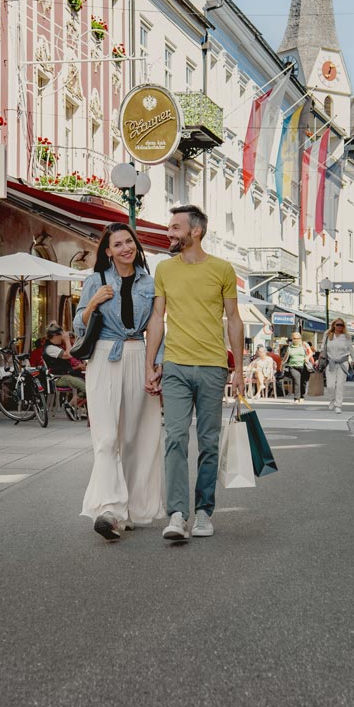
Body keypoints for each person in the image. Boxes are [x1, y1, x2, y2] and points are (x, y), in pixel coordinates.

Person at [145, 205, 244, 542]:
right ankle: (176, 513)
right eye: (169, 228)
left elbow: (234, 319)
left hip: (214, 367)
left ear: (195, 231)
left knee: (208, 443)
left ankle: (203, 512)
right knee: (174, 438)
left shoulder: (222, 269)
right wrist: (150, 364)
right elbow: (157, 318)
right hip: (175, 365)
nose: (169, 233)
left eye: (175, 228)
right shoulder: (164, 270)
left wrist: (240, 369)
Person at [74, 223, 164, 541]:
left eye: (129, 241)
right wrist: (94, 303)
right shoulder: (94, 281)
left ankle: (127, 510)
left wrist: (156, 364)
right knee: (106, 437)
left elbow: (156, 325)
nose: (125, 247)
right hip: (103, 355)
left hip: (139, 353)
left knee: (134, 438)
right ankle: (108, 509)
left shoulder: (150, 283)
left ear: (135, 246)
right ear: (108, 251)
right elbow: (78, 324)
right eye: (118, 244)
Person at [42, 326, 86, 411]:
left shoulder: (56, 347)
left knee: (88, 386)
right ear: (55, 335)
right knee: (86, 388)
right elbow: (68, 355)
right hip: (59, 378)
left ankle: (73, 407)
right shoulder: (50, 348)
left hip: (65, 376)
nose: (63, 337)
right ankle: (70, 406)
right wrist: (67, 340)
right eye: (62, 335)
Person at [321, 318, 354, 414]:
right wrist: (320, 359)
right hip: (331, 362)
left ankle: (338, 405)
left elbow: (351, 349)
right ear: (334, 325)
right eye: (338, 325)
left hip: (343, 363)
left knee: (340, 385)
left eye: (341, 325)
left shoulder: (346, 337)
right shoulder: (328, 335)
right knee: (330, 385)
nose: (340, 327)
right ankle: (332, 399)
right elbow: (322, 348)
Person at [282, 332, 311, 401]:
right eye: (294, 338)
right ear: (292, 338)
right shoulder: (290, 347)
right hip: (293, 366)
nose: (296, 340)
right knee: (296, 381)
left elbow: (310, 352)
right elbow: (286, 357)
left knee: (303, 382)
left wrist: (307, 357)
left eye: (298, 338)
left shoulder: (304, 345)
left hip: (303, 366)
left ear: (300, 338)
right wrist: (282, 364)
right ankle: (296, 398)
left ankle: (302, 396)